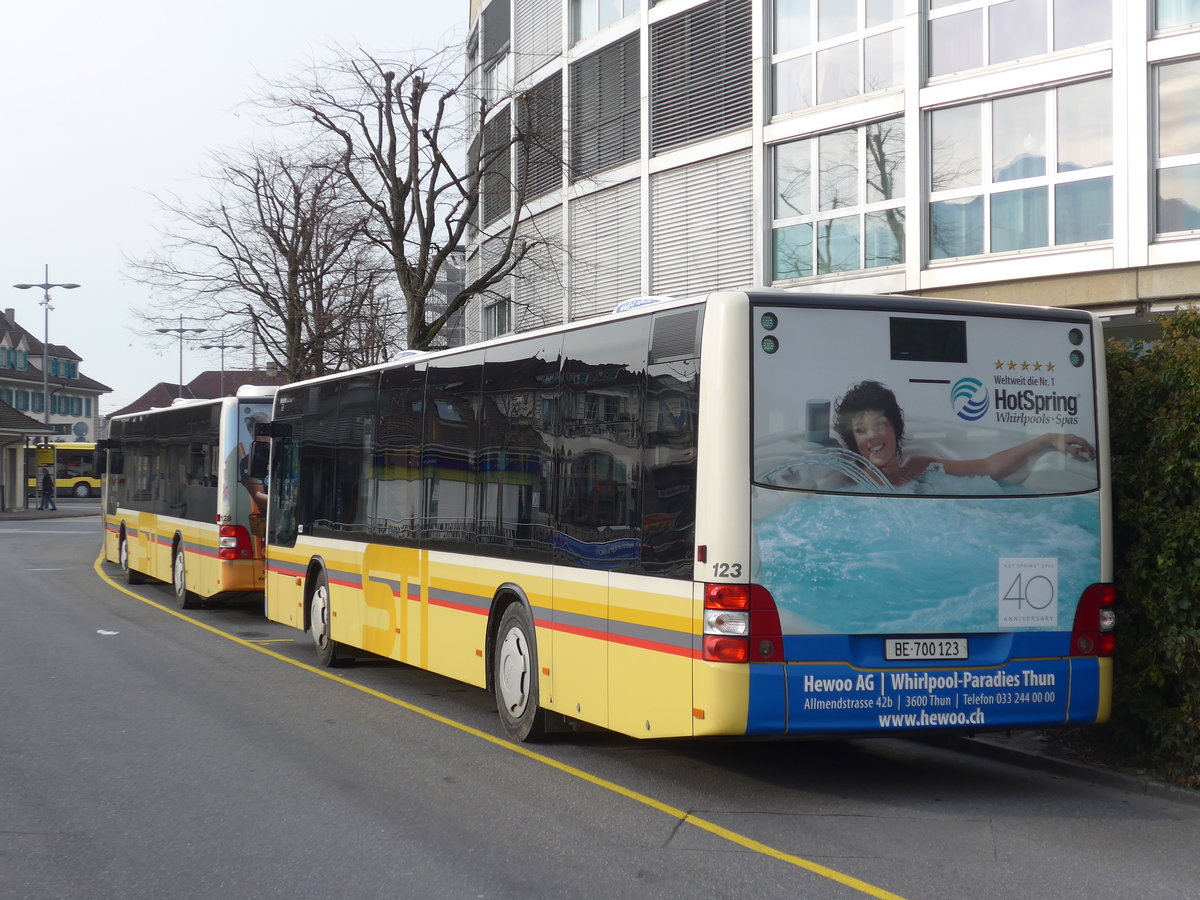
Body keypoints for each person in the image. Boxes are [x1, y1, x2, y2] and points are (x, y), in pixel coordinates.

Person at [833, 380, 1096, 488]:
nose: (873, 436)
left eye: (880, 424)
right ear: (853, 440)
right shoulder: (853, 486)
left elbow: (987, 467)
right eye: (861, 430)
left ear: (894, 427)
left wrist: (1046, 439)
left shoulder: (919, 467)